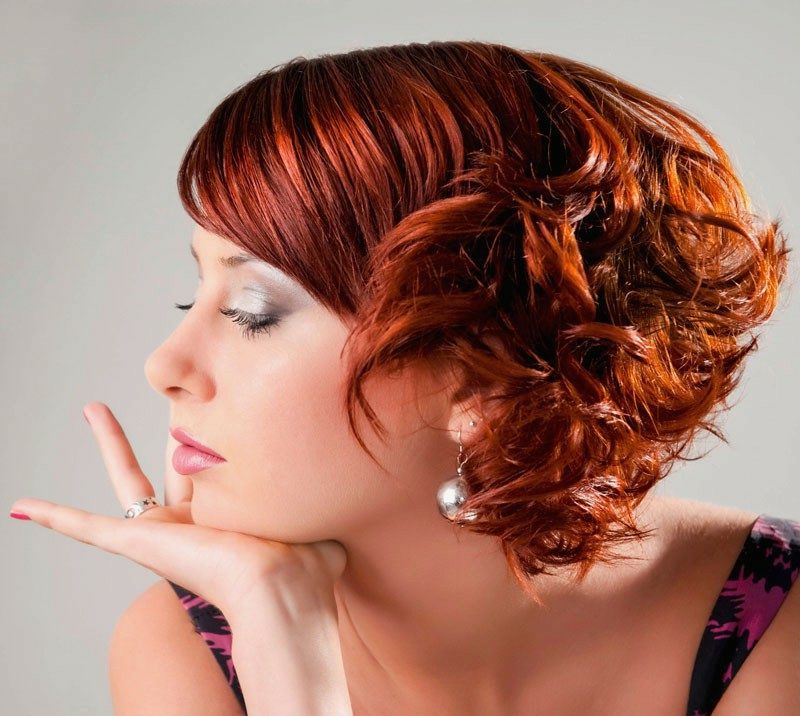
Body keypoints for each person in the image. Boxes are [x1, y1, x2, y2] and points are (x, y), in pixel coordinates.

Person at [12, 40, 797, 715]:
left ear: (482, 379)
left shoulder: (768, 617)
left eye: (251, 310)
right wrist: (287, 667)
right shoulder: (192, 649)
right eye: (195, 293)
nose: (164, 366)